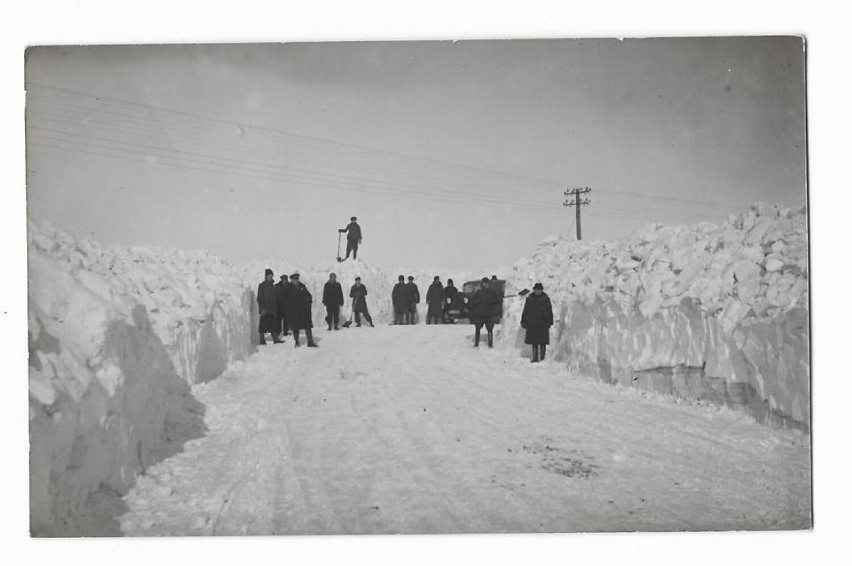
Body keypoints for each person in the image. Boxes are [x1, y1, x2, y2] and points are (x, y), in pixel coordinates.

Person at [521, 282, 554, 363]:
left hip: (543, 323)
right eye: (536, 290)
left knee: (543, 342)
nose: (538, 291)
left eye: (539, 290)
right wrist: (524, 321)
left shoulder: (546, 299)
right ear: (534, 290)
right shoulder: (530, 299)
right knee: (534, 341)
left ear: (542, 290)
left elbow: (550, 311)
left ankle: (542, 358)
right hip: (533, 323)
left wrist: (550, 321)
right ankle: (535, 358)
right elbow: (525, 311)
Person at [286, 273, 318, 347]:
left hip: (304, 311)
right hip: (294, 311)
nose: (296, 281)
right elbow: (286, 301)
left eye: (297, 279)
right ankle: (297, 342)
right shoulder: (288, 288)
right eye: (294, 279)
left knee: (308, 326)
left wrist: (309, 303)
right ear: (291, 280)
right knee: (295, 327)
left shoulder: (302, 286)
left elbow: (308, 295)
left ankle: (310, 342)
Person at [468, 277, 500, 348]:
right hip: (489, 313)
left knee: (478, 328)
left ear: (482, 284)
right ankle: (490, 343)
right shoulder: (492, 292)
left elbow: (473, 302)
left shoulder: (479, 292)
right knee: (490, 329)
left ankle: (476, 343)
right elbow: (497, 302)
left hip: (480, 313)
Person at [257, 268, 283, 345]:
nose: (270, 277)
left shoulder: (273, 285)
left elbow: (275, 297)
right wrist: (262, 308)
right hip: (265, 309)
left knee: (273, 324)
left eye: (271, 276)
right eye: (269, 276)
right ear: (265, 276)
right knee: (263, 324)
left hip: (272, 309)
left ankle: (275, 339)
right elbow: (260, 298)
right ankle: (262, 340)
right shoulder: (261, 285)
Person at [275, 274, 290, 338]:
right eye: (283, 279)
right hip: (279, 305)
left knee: (287, 319)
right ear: (281, 279)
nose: (284, 280)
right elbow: (274, 295)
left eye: (285, 279)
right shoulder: (277, 286)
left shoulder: (290, 286)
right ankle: (278, 332)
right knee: (278, 319)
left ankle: (285, 332)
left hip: (287, 305)